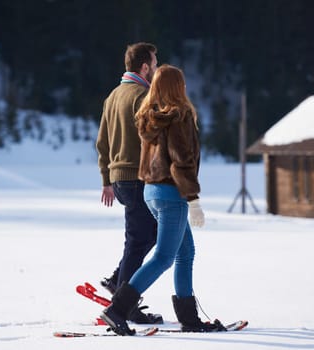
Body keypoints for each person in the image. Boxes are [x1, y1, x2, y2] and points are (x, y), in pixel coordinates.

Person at [100, 64, 225, 335]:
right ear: (177, 88)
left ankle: (189, 320)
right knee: (163, 257)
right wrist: (193, 200)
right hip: (171, 194)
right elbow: (182, 162)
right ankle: (117, 310)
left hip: (151, 192)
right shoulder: (179, 117)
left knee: (185, 252)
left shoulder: (149, 116)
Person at [95, 42, 162, 324]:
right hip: (137, 178)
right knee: (140, 240)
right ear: (144, 67)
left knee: (150, 235)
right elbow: (153, 138)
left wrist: (106, 180)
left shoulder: (113, 96)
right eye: (155, 64)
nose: (156, 69)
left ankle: (118, 282)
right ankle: (125, 302)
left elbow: (102, 142)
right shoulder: (142, 95)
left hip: (120, 180)